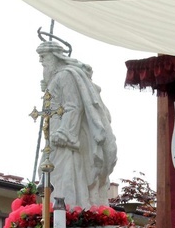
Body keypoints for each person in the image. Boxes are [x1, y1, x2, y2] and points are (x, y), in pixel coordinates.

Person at [38, 39, 118, 209]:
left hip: (65, 139)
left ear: (54, 57)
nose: (41, 62)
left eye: (44, 57)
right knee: (52, 176)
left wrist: (65, 133)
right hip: (54, 136)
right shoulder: (57, 78)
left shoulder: (66, 75)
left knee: (65, 174)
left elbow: (73, 105)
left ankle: (71, 210)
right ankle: (60, 211)